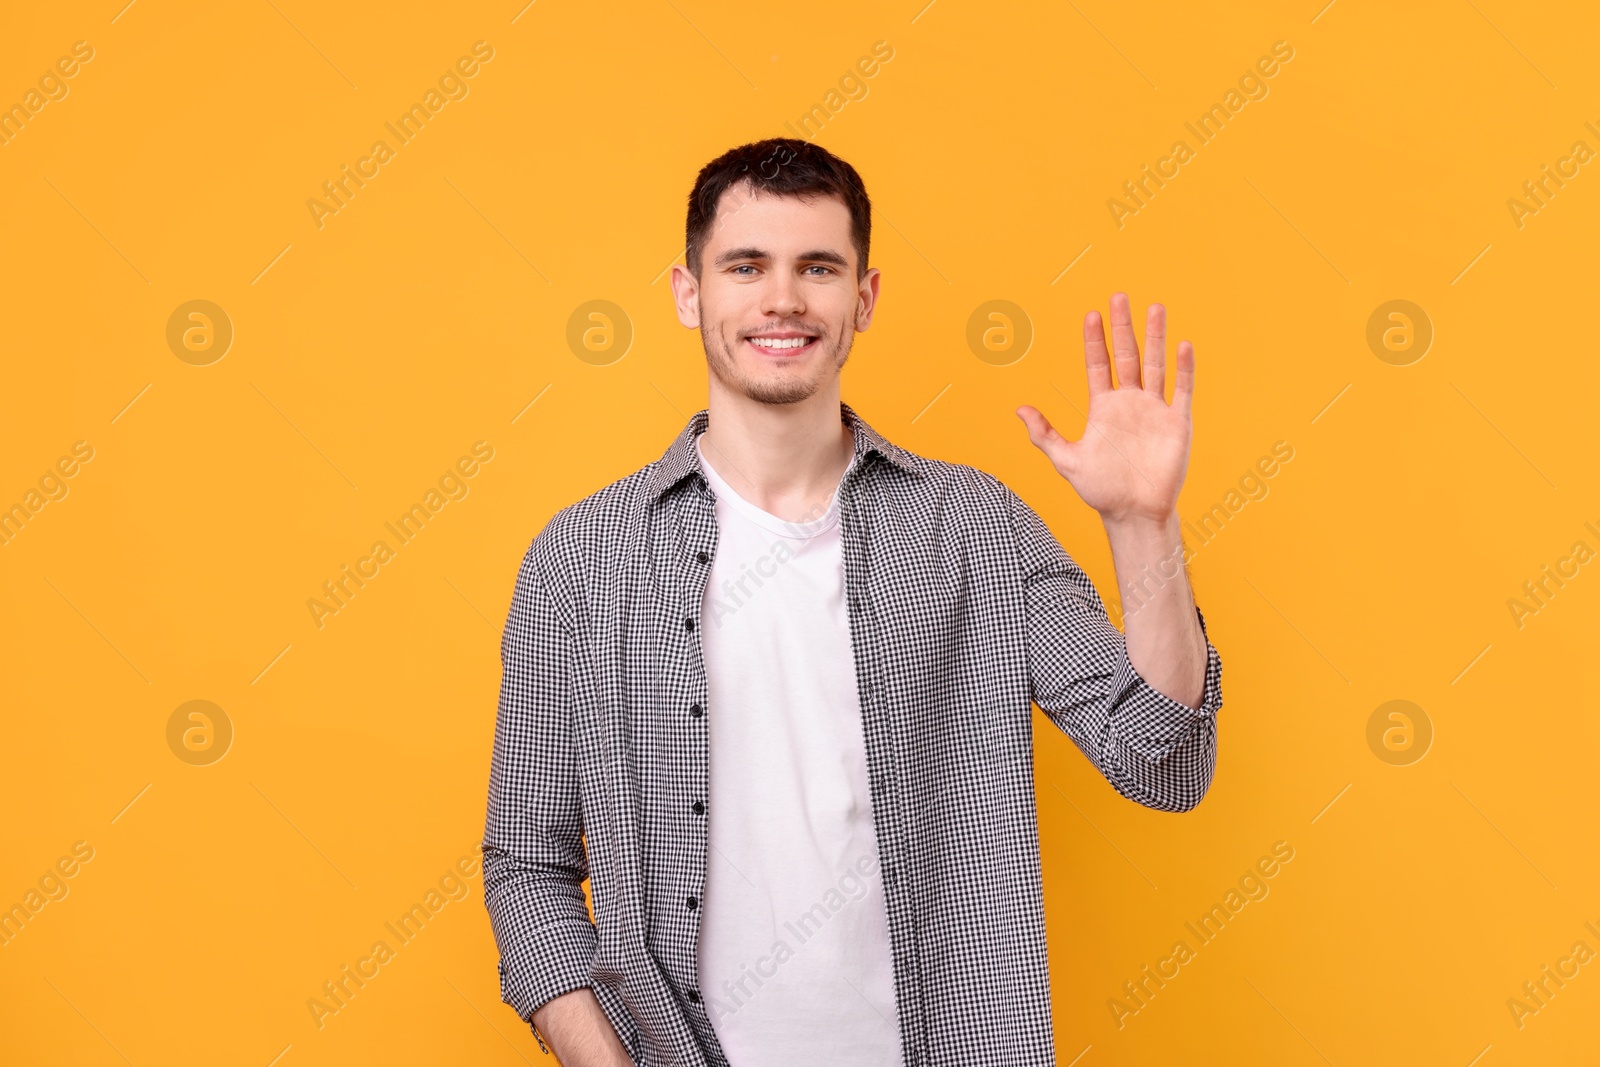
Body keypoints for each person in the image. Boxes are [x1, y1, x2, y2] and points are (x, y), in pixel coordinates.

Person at [481, 137, 1222, 1067]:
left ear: (863, 298)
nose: (782, 299)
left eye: (818, 267)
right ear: (688, 292)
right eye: (745, 265)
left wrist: (1143, 526)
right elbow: (529, 868)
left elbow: (1164, 762)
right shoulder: (584, 559)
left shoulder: (972, 531)